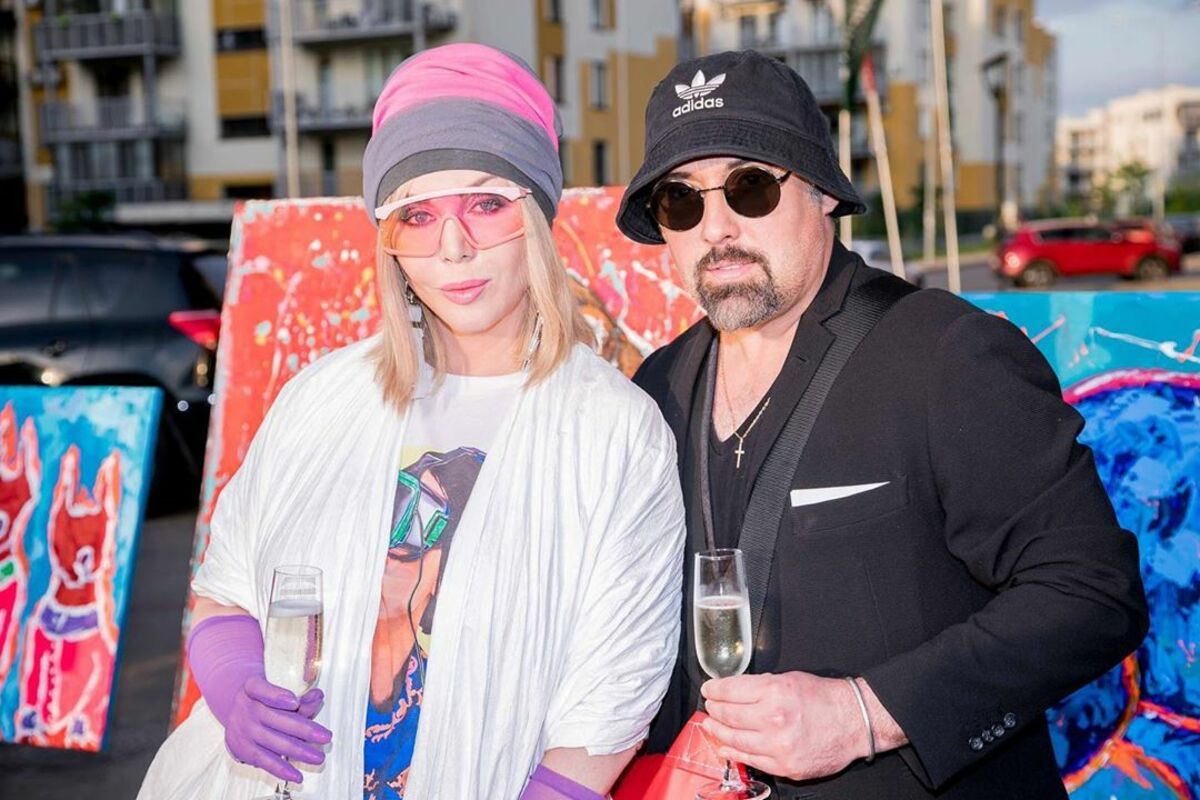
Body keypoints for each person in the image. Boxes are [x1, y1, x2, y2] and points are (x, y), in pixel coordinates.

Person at [139, 43, 686, 800]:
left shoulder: (615, 432)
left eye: (486, 204)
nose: (454, 247)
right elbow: (226, 588)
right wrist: (235, 688)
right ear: (389, 242)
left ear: (536, 215)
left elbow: (616, 692)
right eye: (417, 216)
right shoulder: (322, 398)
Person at [617, 49, 1149, 799]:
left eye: (749, 185)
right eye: (681, 201)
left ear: (821, 193)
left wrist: (865, 714)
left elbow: (1092, 593)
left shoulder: (947, 352)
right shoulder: (656, 387)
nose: (717, 227)